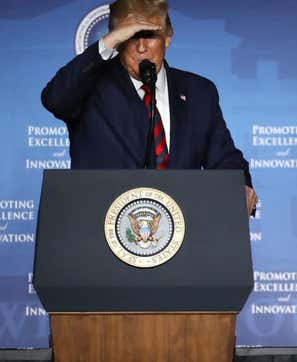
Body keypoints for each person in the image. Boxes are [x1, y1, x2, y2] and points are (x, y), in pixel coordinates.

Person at [41, 0, 257, 215]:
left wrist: (238, 185)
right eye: (131, 36)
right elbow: (55, 99)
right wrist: (108, 42)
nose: (141, 47)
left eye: (150, 35)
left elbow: (223, 156)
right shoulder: (90, 89)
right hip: (100, 230)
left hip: (182, 232)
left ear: (168, 37)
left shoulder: (198, 91)